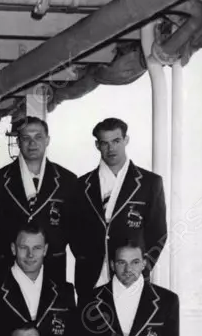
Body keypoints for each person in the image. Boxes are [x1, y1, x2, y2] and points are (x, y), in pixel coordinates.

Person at [71, 117, 167, 298]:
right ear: (97, 146)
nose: (111, 148)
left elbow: (158, 232)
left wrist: (140, 269)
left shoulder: (149, 183)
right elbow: (73, 230)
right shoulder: (82, 185)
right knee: (91, 324)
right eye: (104, 143)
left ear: (126, 140)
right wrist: (86, 259)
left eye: (116, 141)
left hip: (132, 277)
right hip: (91, 277)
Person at [0, 117, 79, 286]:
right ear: (18, 142)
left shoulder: (68, 180)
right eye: (26, 138)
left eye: (38, 137)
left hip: (53, 266)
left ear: (47, 140)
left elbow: (74, 227)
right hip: (8, 266)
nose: (32, 143)